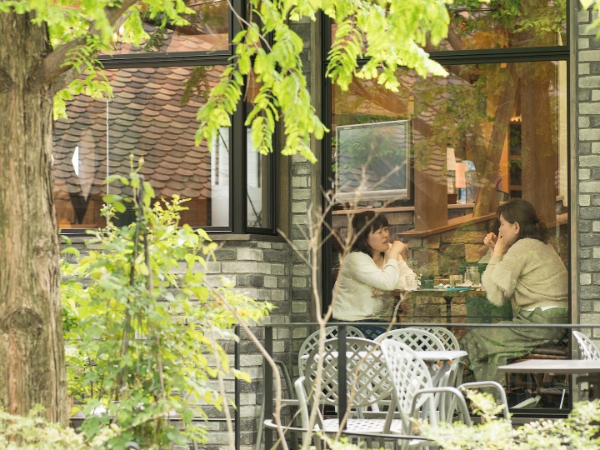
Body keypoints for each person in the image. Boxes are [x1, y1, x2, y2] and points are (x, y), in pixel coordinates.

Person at [461, 199, 568, 383]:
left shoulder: (522, 247)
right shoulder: (541, 245)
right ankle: (492, 398)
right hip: (555, 324)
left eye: (502, 224)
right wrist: (497, 252)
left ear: (516, 227)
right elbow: (502, 282)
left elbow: (496, 295)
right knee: (495, 354)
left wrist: (496, 254)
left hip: (539, 322)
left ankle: (452, 391)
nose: (499, 230)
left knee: (473, 340)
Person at [332, 211, 415, 337]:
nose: (386, 235)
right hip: (351, 325)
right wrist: (393, 255)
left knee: (419, 339)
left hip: (376, 323)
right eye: (379, 232)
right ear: (363, 237)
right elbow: (387, 283)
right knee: (407, 341)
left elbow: (412, 280)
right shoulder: (355, 258)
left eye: (386, 229)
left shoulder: (389, 251)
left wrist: (387, 288)